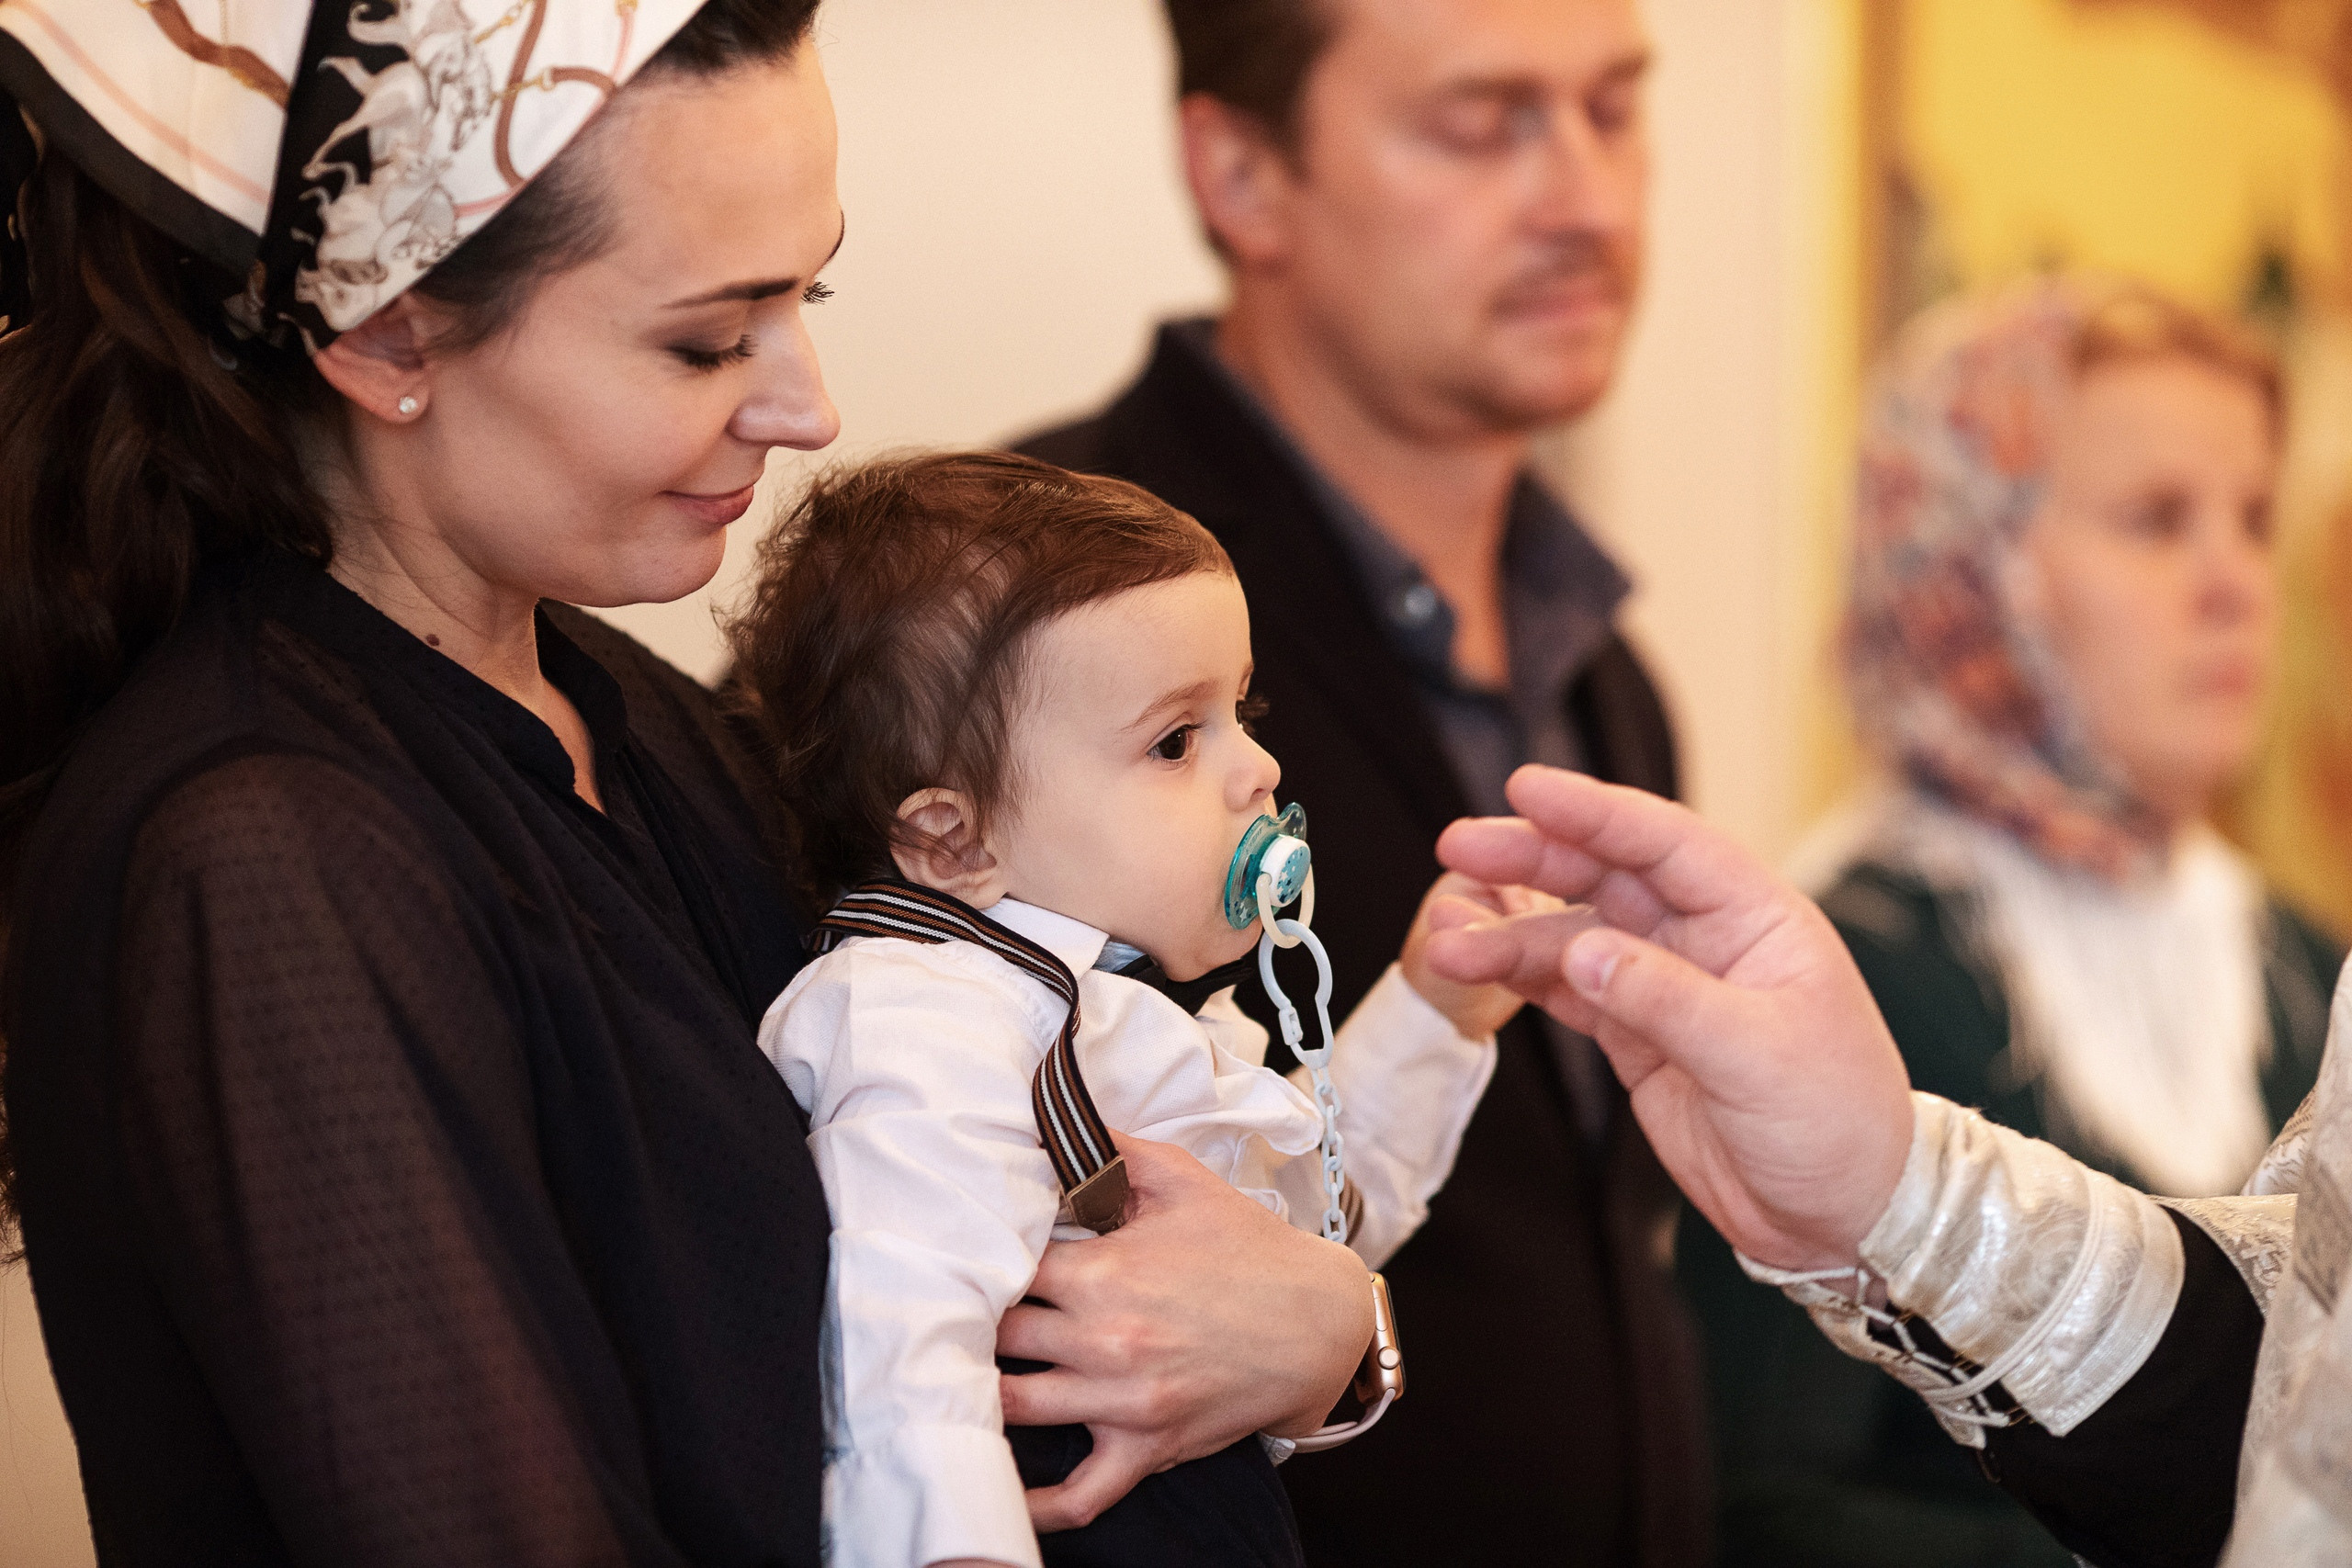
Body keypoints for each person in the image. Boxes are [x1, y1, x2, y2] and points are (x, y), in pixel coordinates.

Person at [0, 5, 1379, 1562]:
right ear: (388, 335)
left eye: (808, 294)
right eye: (709, 338)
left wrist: (1331, 1334)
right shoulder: (264, 866)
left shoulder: (644, 720)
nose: (810, 407)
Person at [1016, 2, 1705, 1560]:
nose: (1589, 197)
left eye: (1615, 108)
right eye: (1482, 124)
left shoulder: (1611, 679)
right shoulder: (1021, 627)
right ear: (1243, 174)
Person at [732, 452, 1531, 1568]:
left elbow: (1307, 1241)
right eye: (1173, 740)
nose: (1257, 768)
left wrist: (1437, 1012)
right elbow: (899, 1342)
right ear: (951, 838)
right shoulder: (923, 1015)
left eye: (1240, 710)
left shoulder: (1114, 1016)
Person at [1679, 280, 2341, 1566]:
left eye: (2254, 520)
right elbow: (1752, 1504)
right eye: (2157, 519)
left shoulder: (2305, 964)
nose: (2234, 584)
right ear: (1965, 559)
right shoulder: (1844, 960)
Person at [1422, 762, 2351, 1568]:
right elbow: (2300, 1385)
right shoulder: (1884, 937)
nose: (2229, 591)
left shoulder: (2300, 953)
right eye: (2149, 541)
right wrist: (1907, 1195)